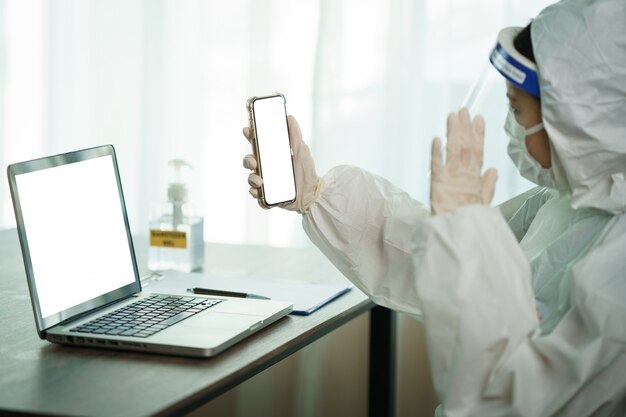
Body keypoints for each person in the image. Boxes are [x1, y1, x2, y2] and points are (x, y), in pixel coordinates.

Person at [242, 0, 626, 414]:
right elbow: (426, 259)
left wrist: (464, 237)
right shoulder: (576, 205)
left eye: (517, 110)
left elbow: (509, 402)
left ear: (578, 118)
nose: (510, 129)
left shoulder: (615, 270)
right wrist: (318, 196)